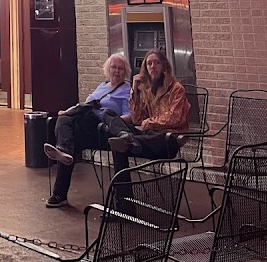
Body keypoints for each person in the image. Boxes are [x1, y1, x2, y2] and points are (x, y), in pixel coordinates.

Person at [44, 54, 132, 207]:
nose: (117, 71)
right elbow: (86, 104)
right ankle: (63, 157)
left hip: (103, 130)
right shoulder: (102, 86)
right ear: (107, 69)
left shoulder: (126, 90)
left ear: (125, 72)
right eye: (113, 67)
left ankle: (60, 189)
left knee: (70, 136)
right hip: (86, 126)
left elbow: (129, 117)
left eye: (120, 68)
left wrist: (112, 121)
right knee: (63, 121)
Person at [107, 50, 190, 199]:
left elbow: (175, 118)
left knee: (122, 145)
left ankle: (129, 141)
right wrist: (135, 90)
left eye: (157, 63)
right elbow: (137, 118)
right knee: (110, 118)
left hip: (169, 139)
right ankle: (124, 202)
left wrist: (149, 123)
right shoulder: (148, 90)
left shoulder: (177, 88)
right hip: (147, 137)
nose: (153, 66)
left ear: (164, 66)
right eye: (149, 63)